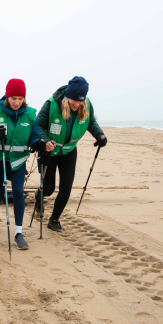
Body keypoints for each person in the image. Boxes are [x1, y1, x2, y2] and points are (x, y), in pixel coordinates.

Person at [36, 76, 107, 232]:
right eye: (74, 100)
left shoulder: (86, 105)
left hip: (69, 150)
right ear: (67, 95)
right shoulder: (51, 104)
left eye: (80, 100)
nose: (77, 104)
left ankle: (54, 220)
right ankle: (38, 198)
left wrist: (100, 135)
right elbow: (38, 125)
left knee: (66, 187)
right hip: (49, 149)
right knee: (48, 189)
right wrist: (45, 140)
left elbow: (91, 122)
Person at [0, 79, 43, 250]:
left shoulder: (30, 114)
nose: (17, 102)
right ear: (7, 97)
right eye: (13, 98)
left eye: (20, 98)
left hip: (18, 161)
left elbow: (34, 136)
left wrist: (37, 143)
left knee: (18, 192)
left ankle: (18, 233)